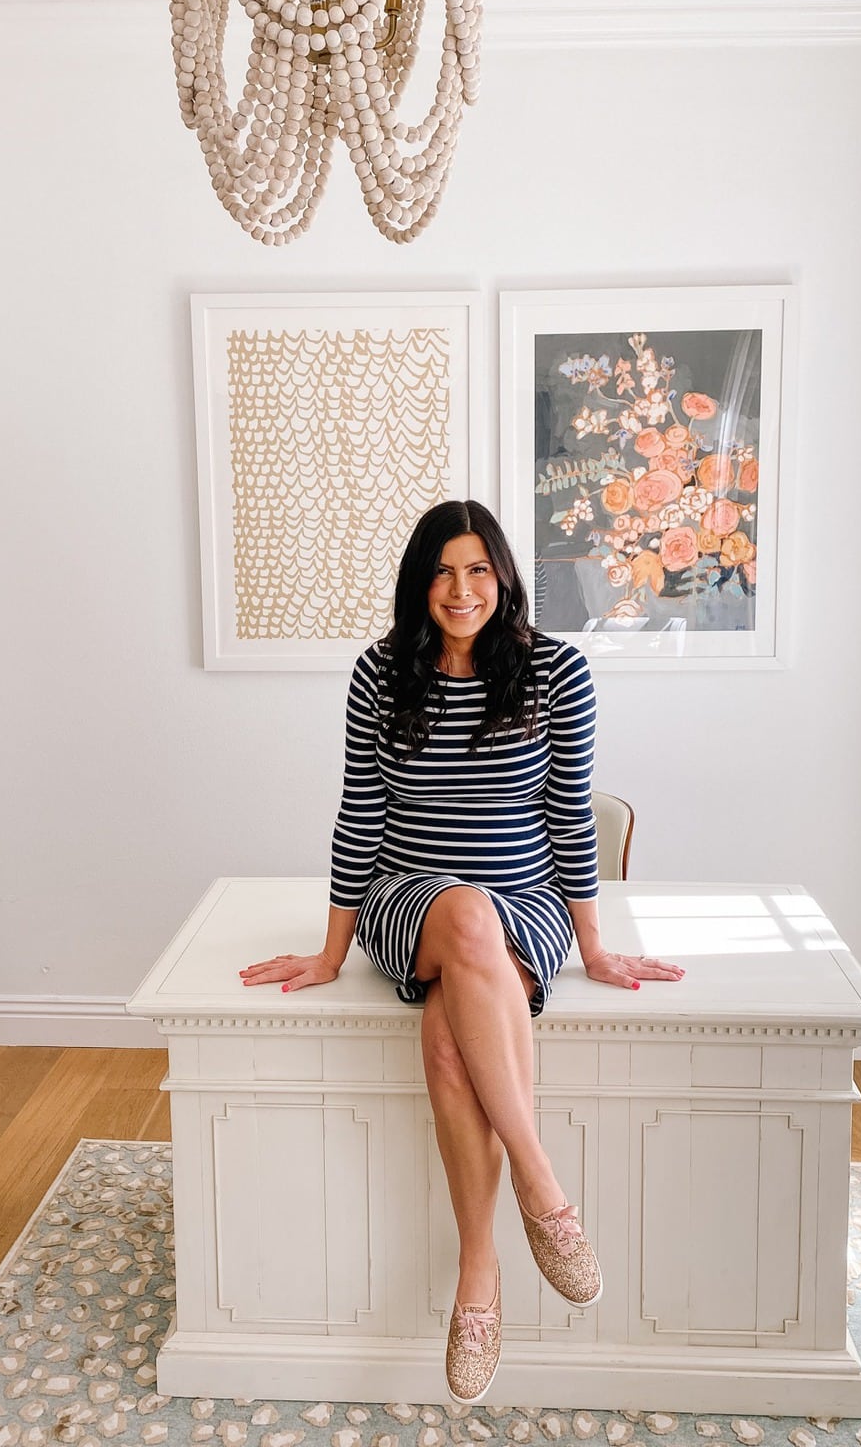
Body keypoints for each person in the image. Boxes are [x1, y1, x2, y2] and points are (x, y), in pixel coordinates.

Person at [239, 500, 685, 1402]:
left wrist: (593, 944)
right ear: (420, 583)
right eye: (443, 570)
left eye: (478, 569)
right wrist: (329, 954)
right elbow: (360, 816)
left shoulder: (557, 672)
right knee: (465, 916)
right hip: (410, 904)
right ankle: (540, 1181)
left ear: (505, 578)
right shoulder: (380, 673)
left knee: (448, 1036)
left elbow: (570, 819)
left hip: (526, 906)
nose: (460, 588)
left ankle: (477, 1273)